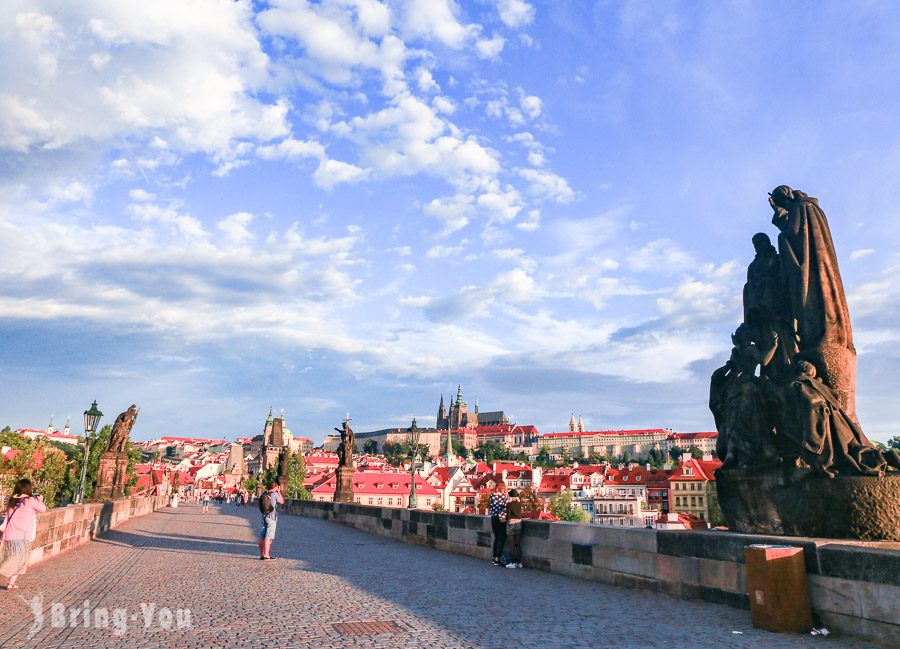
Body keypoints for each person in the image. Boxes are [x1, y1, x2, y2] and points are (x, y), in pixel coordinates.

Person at [0, 479, 47, 590]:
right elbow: (43, 509)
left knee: (15, 560)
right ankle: (8, 580)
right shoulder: (30, 500)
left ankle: (11, 583)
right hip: (22, 536)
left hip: (9, 534)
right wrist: (40, 500)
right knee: (17, 561)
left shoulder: (11, 500)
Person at [258, 479, 284, 560]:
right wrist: (278, 492)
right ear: (276, 487)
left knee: (262, 536)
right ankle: (266, 555)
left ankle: (262, 554)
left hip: (264, 517)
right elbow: (282, 501)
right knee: (268, 537)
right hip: (272, 518)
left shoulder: (265, 493)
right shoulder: (275, 494)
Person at [487, 481, 508, 566]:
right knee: (501, 539)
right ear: (503, 488)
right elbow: (507, 507)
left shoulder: (492, 496)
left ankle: (493, 557)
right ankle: (497, 559)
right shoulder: (505, 497)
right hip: (501, 519)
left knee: (496, 538)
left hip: (493, 518)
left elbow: (490, 506)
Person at [505, 489, 524, 569]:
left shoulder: (509, 505)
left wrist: (506, 521)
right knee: (518, 544)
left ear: (511, 496)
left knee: (511, 545)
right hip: (519, 524)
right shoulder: (519, 504)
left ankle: (512, 562)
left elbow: (508, 517)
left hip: (511, 524)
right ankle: (519, 563)